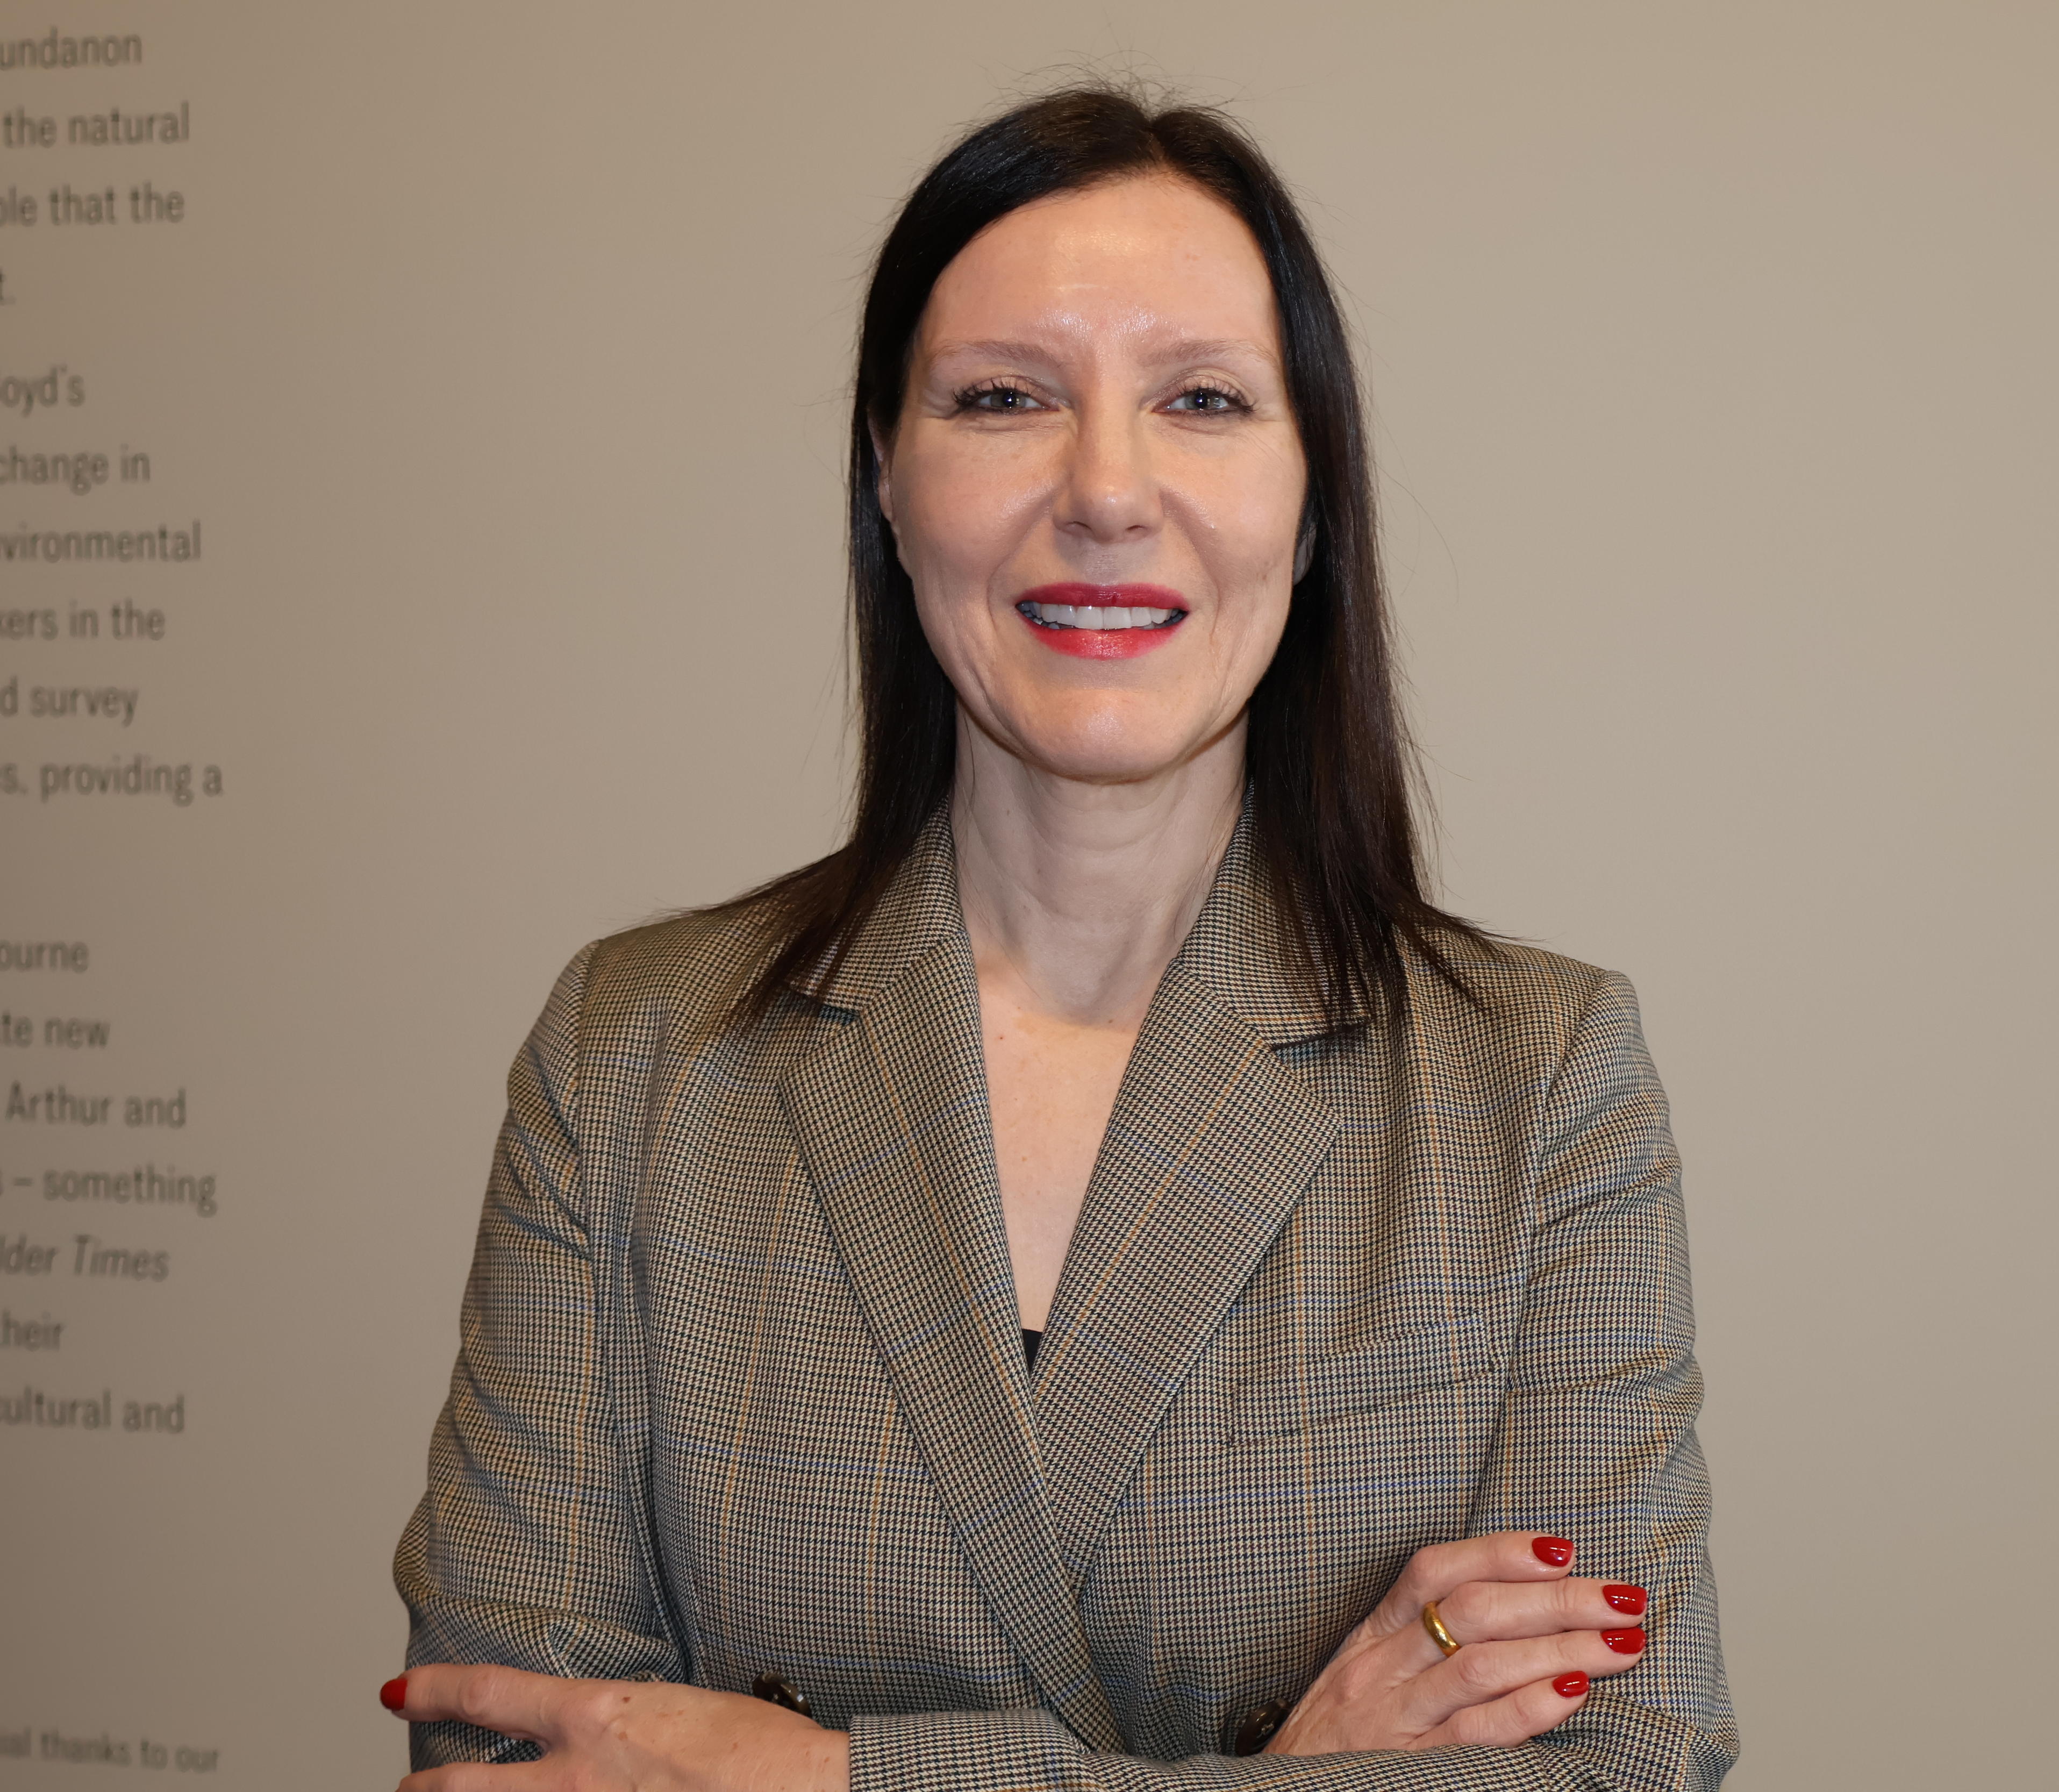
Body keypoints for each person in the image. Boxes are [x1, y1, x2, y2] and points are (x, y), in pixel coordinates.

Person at [386, 87, 1731, 1791]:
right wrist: (1292, 1772)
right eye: (1005, 399)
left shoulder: (1540, 1085)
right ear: (886, 476)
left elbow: (1620, 1770)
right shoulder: (638, 1053)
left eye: (1204, 401)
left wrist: (824, 1777)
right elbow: (510, 1758)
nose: (1107, 489)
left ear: (1312, 507)